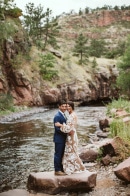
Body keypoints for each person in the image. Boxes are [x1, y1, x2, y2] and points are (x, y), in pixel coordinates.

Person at [55, 101, 86, 175]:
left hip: (71, 136)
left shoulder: (72, 115)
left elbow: (68, 128)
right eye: (66, 106)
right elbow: (71, 127)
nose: (67, 108)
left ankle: (73, 168)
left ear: (72, 107)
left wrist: (60, 125)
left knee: (71, 152)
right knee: (72, 151)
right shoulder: (72, 114)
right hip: (72, 135)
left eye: (69, 106)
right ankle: (75, 167)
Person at [53, 100, 68, 176]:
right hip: (59, 139)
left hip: (62, 138)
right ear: (59, 107)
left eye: (65, 106)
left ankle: (61, 169)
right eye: (63, 106)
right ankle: (57, 170)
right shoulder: (57, 116)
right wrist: (66, 132)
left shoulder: (63, 114)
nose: (64, 107)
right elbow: (57, 129)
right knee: (58, 154)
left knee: (61, 154)